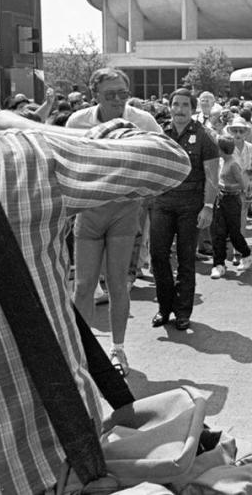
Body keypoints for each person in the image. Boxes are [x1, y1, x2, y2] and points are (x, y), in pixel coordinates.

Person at [0, 80, 191, 493]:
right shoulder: (10, 157)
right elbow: (166, 159)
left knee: (112, 285)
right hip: (47, 471)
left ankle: (117, 344)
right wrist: (22, 126)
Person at [65, 67, 161, 375]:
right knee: (83, 286)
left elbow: (163, 157)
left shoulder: (143, 120)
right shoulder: (77, 121)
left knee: (119, 284)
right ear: (95, 96)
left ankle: (118, 350)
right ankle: (84, 351)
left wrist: (144, 193)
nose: (119, 100)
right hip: (89, 211)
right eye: (110, 95)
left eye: (123, 93)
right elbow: (67, 160)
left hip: (123, 211)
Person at [150, 88, 220, 331]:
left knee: (186, 259)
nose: (179, 110)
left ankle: (182, 311)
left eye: (184, 106)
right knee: (158, 255)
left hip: (191, 205)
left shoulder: (204, 136)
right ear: (170, 107)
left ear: (193, 110)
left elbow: (212, 175)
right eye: (175, 104)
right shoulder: (160, 133)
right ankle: (164, 307)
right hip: (163, 203)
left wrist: (208, 207)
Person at [209, 133, 252, 279]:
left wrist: (222, 186)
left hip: (232, 202)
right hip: (221, 201)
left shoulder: (233, 164)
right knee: (218, 233)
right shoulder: (223, 162)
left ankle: (247, 254)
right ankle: (219, 264)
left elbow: (242, 185)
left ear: (222, 149)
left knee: (234, 233)